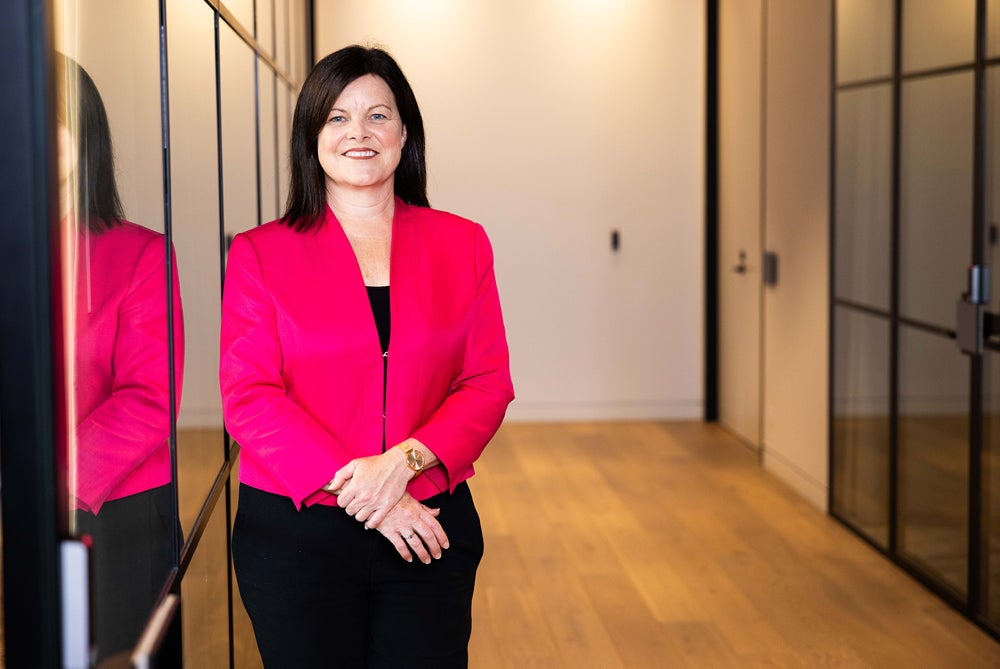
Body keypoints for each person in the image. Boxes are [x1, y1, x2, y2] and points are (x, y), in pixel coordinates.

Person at [220, 45, 514, 668]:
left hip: (427, 525)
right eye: (336, 117)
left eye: (378, 115)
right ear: (312, 136)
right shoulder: (259, 253)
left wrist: (402, 464)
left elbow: (487, 382)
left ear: (405, 134)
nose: (359, 132)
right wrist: (371, 489)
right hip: (296, 532)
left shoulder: (461, 244)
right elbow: (250, 396)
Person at [57, 54, 185, 663]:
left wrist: (45, 482)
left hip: (114, 514)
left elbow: (150, 400)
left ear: (82, 137)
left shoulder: (138, 255)